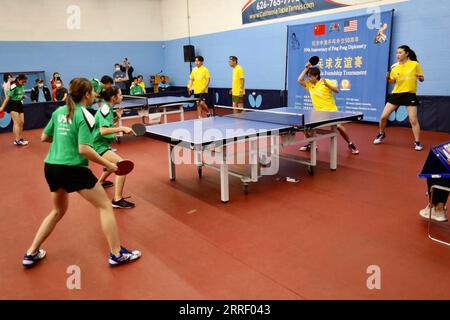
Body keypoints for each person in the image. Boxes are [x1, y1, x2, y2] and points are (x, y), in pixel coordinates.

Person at [22, 78, 141, 269]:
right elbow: (84, 149)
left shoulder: (59, 111)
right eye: (93, 92)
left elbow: (45, 137)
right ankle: (116, 254)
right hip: (73, 169)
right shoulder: (85, 115)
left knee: (57, 211)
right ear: (86, 95)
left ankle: (31, 252)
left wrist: (65, 140)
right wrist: (107, 165)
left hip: (51, 168)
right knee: (105, 207)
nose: (95, 94)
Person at [298, 64, 359, 155]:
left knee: (338, 127)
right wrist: (306, 68)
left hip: (331, 111)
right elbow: (299, 80)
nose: (309, 78)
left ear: (316, 76)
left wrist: (327, 85)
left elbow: (337, 91)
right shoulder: (309, 84)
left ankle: (350, 143)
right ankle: (312, 144)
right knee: (305, 126)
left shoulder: (325, 81)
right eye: (308, 76)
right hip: (318, 112)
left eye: (310, 76)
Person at [374, 45, 425, 151]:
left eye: (400, 52)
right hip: (396, 94)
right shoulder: (394, 67)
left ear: (407, 53)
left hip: (409, 94)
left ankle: (417, 142)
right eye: (397, 53)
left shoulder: (415, 64)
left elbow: (422, 78)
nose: (397, 55)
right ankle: (381, 134)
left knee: (413, 119)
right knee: (383, 117)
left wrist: (420, 78)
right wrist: (387, 77)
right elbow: (392, 81)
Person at [93, 86, 136, 209]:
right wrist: (122, 128)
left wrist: (117, 116)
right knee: (122, 165)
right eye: (120, 94)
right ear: (113, 97)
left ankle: (100, 182)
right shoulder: (105, 110)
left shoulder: (109, 109)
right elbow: (103, 130)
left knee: (110, 164)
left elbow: (108, 124)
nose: (122, 96)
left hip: (101, 144)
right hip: (97, 145)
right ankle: (117, 200)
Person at [0, 74, 29, 146]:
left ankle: (20, 138)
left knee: (22, 122)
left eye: (25, 82)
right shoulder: (13, 86)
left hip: (19, 103)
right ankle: (17, 140)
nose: (24, 83)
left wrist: (22, 97)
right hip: (12, 104)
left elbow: (18, 95)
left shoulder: (22, 86)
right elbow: (8, 98)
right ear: (18, 80)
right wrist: (2, 107)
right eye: (23, 82)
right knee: (17, 122)